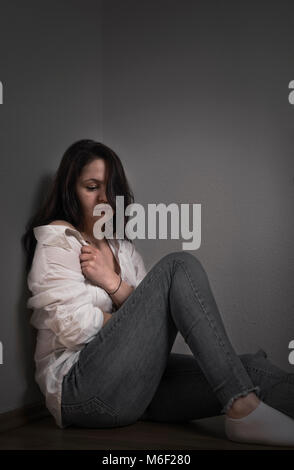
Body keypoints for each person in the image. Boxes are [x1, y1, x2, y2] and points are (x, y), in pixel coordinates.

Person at [22, 139, 294, 447]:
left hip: (133, 391)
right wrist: (137, 319)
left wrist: (113, 283)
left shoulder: (123, 250)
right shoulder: (60, 238)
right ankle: (242, 410)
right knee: (178, 266)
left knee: (250, 370)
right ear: (70, 190)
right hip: (79, 393)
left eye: (109, 188)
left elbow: (157, 318)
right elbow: (72, 328)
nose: (104, 199)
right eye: (91, 187)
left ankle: (245, 402)